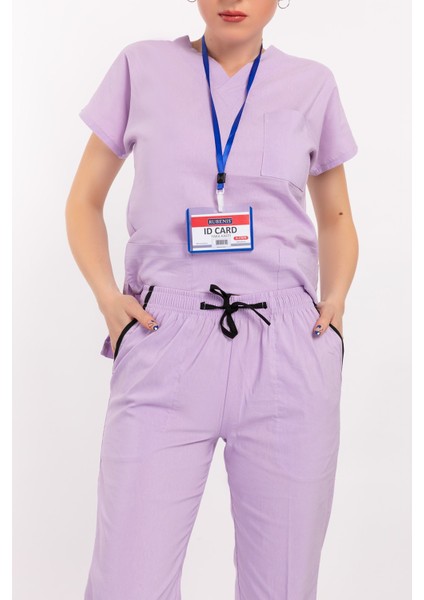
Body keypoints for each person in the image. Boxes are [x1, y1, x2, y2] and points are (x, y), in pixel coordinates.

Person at [65, 1, 359, 598]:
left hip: (286, 346)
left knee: (282, 585)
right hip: (163, 337)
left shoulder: (312, 84)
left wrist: (335, 303)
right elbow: (83, 201)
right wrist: (107, 299)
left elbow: (335, 215)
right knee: (127, 583)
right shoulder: (141, 67)